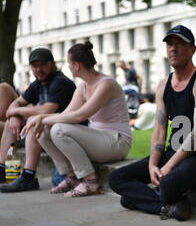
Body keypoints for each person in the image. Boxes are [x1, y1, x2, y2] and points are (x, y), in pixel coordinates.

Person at [108, 25, 196, 221]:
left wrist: (167, 167)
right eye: (170, 44)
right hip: (173, 152)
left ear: (193, 49)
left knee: (167, 184)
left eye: (180, 44)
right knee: (117, 178)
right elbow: (160, 130)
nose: (173, 49)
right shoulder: (164, 85)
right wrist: (153, 165)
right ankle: (166, 204)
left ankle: (138, 199)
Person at [21, 41, 132, 197]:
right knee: (44, 131)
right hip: (99, 142)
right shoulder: (83, 87)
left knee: (58, 129)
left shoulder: (106, 85)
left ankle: (90, 182)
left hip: (117, 142)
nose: (68, 67)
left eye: (68, 63)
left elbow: (79, 116)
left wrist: (41, 118)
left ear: (77, 66)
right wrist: (39, 119)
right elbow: (65, 115)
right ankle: (72, 177)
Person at [0, 48, 76, 192]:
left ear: (52, 64)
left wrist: (15, 111)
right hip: (47, 134)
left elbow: (46, 110)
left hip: (66, 134)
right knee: (12, 122)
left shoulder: (60, 82)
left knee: (35, 122)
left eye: (42, 65)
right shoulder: (37, 84)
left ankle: (28, 177)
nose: (38, 69)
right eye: (34, 66)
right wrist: (15, 115)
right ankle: (4, 169)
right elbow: (16, 103)